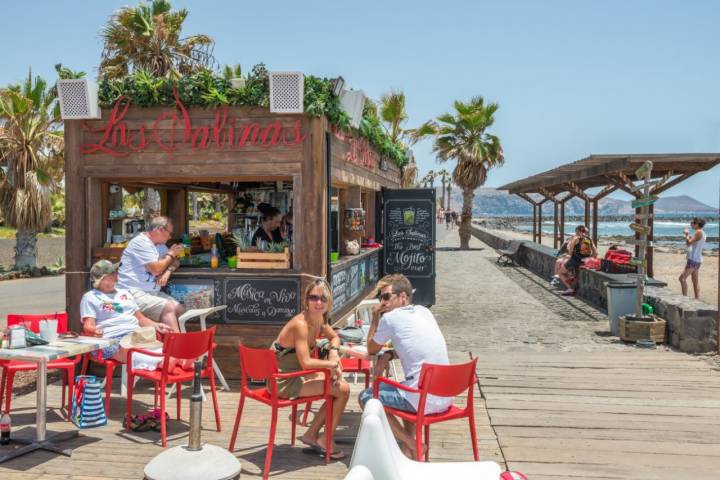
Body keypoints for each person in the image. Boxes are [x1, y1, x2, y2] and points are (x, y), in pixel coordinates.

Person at [359, 274, 451, 458]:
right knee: (406, 386)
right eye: (380, 298)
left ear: (403, 297)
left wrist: (376, 316)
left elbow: (370, 347)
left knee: (366, 397)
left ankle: (412, 444)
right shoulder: (425, 312)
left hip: (424, 399)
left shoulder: (389, 318)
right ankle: (409, 452)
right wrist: (390, 354)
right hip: (445, 395)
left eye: (386, 297)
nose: (382, 302)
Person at [271, 278, 350, 460]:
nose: (318, 302)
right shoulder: (301, 325)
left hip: (296, 376)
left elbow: (334, 337)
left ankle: (312, 435)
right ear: (306, 300)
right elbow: (306, 362)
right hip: (284, 382)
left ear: (329, 301)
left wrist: (333, 353)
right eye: (314, 298)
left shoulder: (318, 319)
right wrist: (333, 364)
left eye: (323, 298)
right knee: (342, 389)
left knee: (338, 387)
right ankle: (325, 439)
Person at [81, 259, 172, 365]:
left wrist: (156, 325)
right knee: (132, 350)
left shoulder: (125, 293)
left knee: (156, 348)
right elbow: (88, 325)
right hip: (112, 338)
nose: (117, 273)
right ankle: (163, 363)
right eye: (113, 272)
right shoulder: (90, 297)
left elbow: (141, 318)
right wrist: (94, 331)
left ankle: (165, 362)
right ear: (102, 278)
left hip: (136, 335)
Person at [117, 216, 184, 331]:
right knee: (168, 307)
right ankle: (176, 346)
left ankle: (166, 342)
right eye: (169, 233)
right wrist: (171, 253)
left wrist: (168, 271)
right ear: (160, 229)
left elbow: (175, 262)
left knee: (180, 309)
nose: (170, 236)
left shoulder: (160, 245)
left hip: (151, 293)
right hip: (132, 292)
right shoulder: (141, 242)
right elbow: (156, 269)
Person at [558, 225, 597, 296]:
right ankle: (571, 277)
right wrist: (587, 257)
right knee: (568, 266)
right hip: (585, 262)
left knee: (560, 272)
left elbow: (570, 253)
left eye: (575, 232)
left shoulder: (576, 238)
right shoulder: (589, 239)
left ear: (578, 231)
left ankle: (570, 288)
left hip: (575, 261)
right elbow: (595, 253)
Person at [679, 217, 706, 299]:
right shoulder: (702, 233)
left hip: (693, 260)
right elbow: (694, 243)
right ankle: (697, 299)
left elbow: (688, 243)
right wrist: (689, 237)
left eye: (693, 222)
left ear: (697, 224)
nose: (691, 224)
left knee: (682, 278)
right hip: (697, 260)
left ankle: (685, 298)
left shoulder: (698, 232)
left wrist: (686, 234)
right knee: (695, 281)